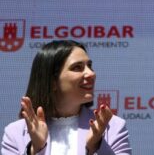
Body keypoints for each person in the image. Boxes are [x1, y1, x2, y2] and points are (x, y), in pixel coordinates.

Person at [1, 40, 131, 155]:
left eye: (89, 66)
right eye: (77, 68)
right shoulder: (15, 133)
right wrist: (35, 150)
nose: (91, 73)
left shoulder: (113, 126)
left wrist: (97, 146)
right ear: (52, 82)